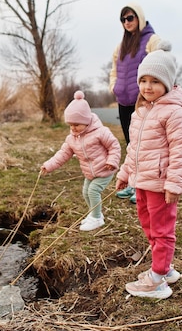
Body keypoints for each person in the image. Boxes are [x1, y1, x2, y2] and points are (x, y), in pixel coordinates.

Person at [115, 48, 182, 299]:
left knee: (162, 230)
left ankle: (157, 280)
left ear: (167, 83)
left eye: (155, 81)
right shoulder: (142, 111)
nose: (148, 87)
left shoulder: (174, 111)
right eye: (144, 80)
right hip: (142, 182)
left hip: (159, 183)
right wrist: (124, 173)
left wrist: (174, 184)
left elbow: (181, 150)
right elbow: (134, 149)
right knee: (148, 225)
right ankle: (165, 268)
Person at [109, 2, 172, 203]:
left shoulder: (151, 40)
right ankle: (133, 184)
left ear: (139, 18)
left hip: (143, 101)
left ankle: (143, 188)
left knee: (145, 146)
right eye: (123, 19)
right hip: (124, 100)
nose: (127, 22)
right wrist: (114, 87)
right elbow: (114, 70)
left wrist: (154, 90)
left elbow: (163, 61)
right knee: (131, 144)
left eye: (130, 18)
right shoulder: (120, 46)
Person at [41, 91, 122, 231]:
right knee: (85, 192)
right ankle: (94, 214)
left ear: (86, 121)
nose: (73, 128)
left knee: (93, 191)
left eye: (77, 124)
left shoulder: (101, 132)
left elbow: (114, 146)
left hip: (105, 169)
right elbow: (62, 154)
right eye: (70, 125)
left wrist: (112, 161)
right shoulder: (72, 138)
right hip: (89, 172)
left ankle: (97, 218)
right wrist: (48, 166)